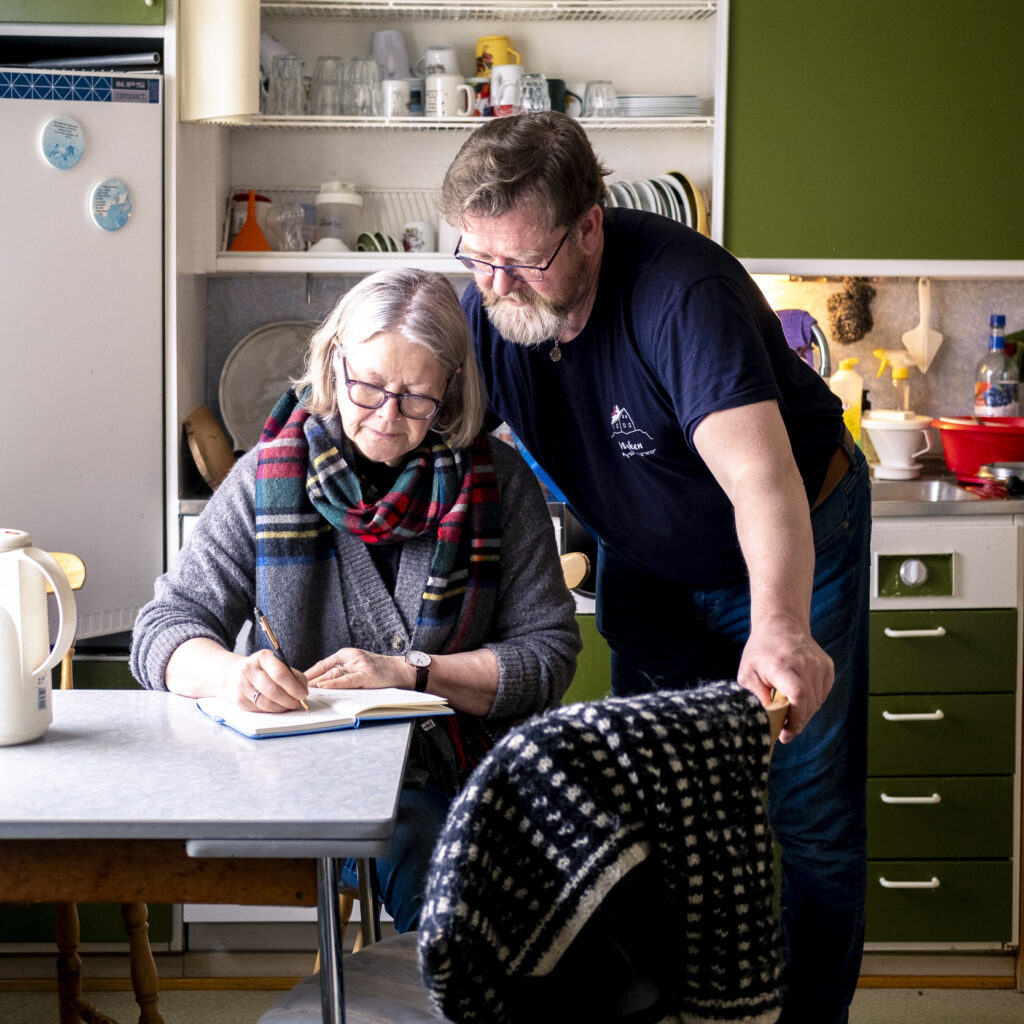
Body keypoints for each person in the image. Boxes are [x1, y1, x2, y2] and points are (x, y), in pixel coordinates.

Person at [439, 111, 870, 1024]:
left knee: (807, 813)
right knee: (659, 799)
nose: (498, 285)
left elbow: (764, 484)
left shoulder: (681, 296)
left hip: (795, 541)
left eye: (525, 260)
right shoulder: (491, 304)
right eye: (478, 259)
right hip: (651, 558)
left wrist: (779, 625)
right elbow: (429, 431)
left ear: (589, 224)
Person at [130, 268, 581, 933]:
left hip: (454, 769)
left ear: (451, 391)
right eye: (368, 388)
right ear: (334, 363)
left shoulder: (499, 484)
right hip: (303, 775)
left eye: (416, 397)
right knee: (451, 880)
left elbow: (548, 657)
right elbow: (163, 630)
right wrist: (234, 673)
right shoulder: (266, 476)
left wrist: (412, 672)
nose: (387, 418)